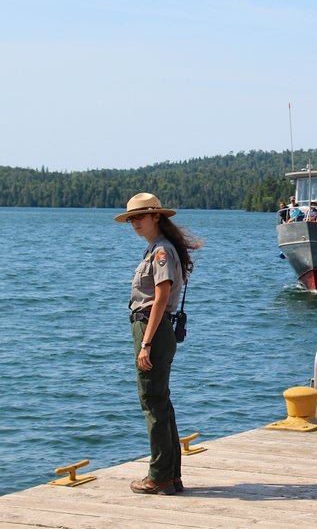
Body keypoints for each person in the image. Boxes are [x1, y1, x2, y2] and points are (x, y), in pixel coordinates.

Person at [114, 193, 202, 495]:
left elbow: (161, 298)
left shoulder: (161, 251)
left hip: (151, 327)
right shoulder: (156, 249)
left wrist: (146, 343)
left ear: (156, 217)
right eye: (131, 219)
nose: (134, 222)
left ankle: (159, 476)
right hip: (155, 327)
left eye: (140, 216)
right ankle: (171, 475)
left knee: (152, 401)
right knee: (160, 401)